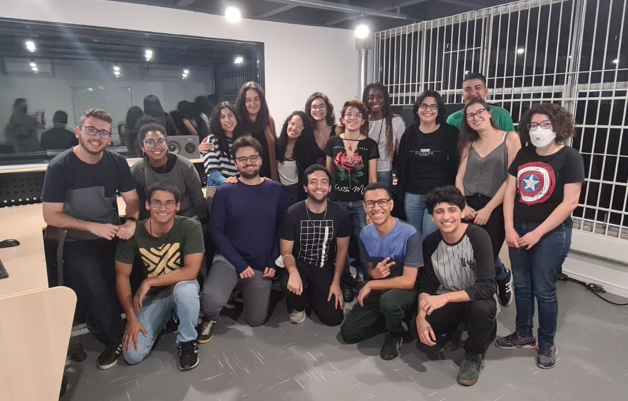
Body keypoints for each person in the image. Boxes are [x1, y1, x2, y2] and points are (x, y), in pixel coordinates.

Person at [41, 108, 140, 370]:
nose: (97, 137)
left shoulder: (117, 163)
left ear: (110, 138)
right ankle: (119, 339)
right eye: (91, 130)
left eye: (104, 132)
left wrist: (130, 221)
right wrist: (92, 227)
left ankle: (120, 324)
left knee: (117, 284)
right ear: (78, 132)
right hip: (76, 242)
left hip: (111, 237)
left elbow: (132, 201)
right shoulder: (59, 166)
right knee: (97, 292)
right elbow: (51, 215)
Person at [496, 104, 584, 369]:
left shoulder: (570, 157)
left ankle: (546, 343)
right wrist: (509, 228)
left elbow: (570, 203)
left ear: (558, 127)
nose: (538, 130)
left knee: (544, 291)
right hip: (519, 228)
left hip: (551, 233)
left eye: (545, 124)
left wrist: (537, 233)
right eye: (533, 125)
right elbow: (510, 192)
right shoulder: (523, 154)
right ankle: (524, 334)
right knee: (522, 286)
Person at [198, 136, 285, 342]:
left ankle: (244, 291)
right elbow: (216, 232)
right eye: (242, 159)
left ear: (261, 160)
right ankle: (209, 318)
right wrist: (239, 264)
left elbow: (282, 229)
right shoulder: (226, 191)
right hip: (230, 259)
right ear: (235, 163)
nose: (248, 162)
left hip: (260, 262)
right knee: (210, 301)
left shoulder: (276, 190)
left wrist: (273, 259)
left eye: (253, 157)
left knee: (255, 320)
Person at [114, 183, 205, 371]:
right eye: (157, 203)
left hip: (178, 287)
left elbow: (191, 271)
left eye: (169, 203)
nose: (163, 208)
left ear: (177, 206)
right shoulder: (134, 234)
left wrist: (149, 281)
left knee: (186, 289)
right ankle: (167, 318)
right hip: (153, 296)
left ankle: (187, 341)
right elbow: (121, 277)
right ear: (147, 205)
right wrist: (131, 317)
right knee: (132, 355)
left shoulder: (190, 227)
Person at [416, 186, 497, 387]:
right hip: (447, 297)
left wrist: (444, 298)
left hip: (474, 299)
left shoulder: (478, 236)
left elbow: (487, 286)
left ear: (461, 212)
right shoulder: (430, 242)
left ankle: (474, 354)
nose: (446, 216)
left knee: (483, 310)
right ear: (432, 218)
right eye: (439, 211)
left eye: (452, 209)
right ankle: (460, 325)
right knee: (424, 339)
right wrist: (420, 317)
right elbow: (426, 284)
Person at [340, 183, 423, 361]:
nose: (376, 207)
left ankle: (395, 333)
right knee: (349, 334)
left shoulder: (410, 233)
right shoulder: (364, 234)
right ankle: (391, 318)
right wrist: (373, 274)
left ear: (391, 205)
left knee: (391, 302)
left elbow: (409, 281)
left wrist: (371, 283)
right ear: (364, 207)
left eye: (382, 202)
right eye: (370, 203)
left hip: (406, 290)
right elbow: (369, 268)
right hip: (381, 290)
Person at [455, 98, 521, 307]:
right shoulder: (469, 142)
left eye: (480, 112)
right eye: (470, 115)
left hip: (497, 205)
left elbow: (512, 180)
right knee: (467, 256)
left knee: (485, 258)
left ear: (489, 113)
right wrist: (462, 205)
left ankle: (497, 285)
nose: (476, 117)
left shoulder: (510, 138)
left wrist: (488, 209)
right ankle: (469, 304)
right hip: (468, 205)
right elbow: (459, 178)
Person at [279, 165, 350, 325]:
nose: (319, 187)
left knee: (334, 318)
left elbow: (342, 250)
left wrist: (336, 283)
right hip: (299, 264)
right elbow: (285, 251)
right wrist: (293, 271)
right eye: (313, 182)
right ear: (305, 187)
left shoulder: (340, 214)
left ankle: (313, 293)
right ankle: (299, 305)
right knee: (289, 283)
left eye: (324, 182)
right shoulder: (292, 213)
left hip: (323, 266)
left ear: (330, 187)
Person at [326, 100, 379, 300]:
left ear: (363, 120)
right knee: (341, 243)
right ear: (342, 118)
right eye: (349, 113)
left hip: (360, 202)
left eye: (358, 114)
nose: (353, 118)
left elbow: (373, 180)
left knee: (364, 240)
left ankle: (367, 278)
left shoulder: (369, 145)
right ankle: (346, 279)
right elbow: (329, 174)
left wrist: (370, 207)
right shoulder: (333, 142)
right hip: (337, 201)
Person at [397, 90, 459, 240]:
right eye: (424, 106)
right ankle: (416, 264)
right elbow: (402, 165)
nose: (428, 110)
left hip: (439, 195)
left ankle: (428, 265)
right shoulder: (409, 133)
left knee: (429, 237)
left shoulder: (450, 133)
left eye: (433, 106)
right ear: (417, 109)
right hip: (412, 194)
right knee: (413, 237)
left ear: (439, 110)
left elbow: (456, 164)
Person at [130, 117, 209, 225]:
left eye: (161, 141)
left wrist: (204, 225)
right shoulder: (138, 170)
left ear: (167, 144)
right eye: (150, 142)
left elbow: (198, 198)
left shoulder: (184, 166)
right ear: (142, 147)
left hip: (186, 219)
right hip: (156, 221)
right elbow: (142, 206)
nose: (157, 146)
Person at [362, 82, 406, 186]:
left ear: (385, 100)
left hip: (384, 172)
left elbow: (403, 150)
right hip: (362, 171)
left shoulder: (395, 121)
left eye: (379, 97)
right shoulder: (362, 122)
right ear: (366, 100)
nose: (375, 100)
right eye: (371, 97)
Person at [236, 82, 278, 181]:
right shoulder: (237, 123)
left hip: (269, 177)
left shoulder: (269, 121)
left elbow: (276, 146)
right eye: (248, 100)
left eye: (256, 99)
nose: (252, 104)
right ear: (243, 102)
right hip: (246, 180)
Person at [446, 72, 516, 132]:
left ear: (486, 91)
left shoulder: (502, 115)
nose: (473, 93)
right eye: (467, 89)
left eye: (478, 88)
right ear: (462, 94)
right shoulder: (453, 120)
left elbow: (511, 143)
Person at [275, 111, 319, 204]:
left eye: (299, 127)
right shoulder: (277, 146)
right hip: (279, 190)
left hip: (297, 192)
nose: (294, 128)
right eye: (293, 124)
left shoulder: (306, 151)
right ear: (288, 123)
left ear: (303, 131)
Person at [304, 92, 341, 166]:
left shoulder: (338, 130)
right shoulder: (306, 132)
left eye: (321, 106)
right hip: (311, 176)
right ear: (309, 110)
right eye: (314, 107)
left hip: (333, 176)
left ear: (328, 109)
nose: (318, 109)